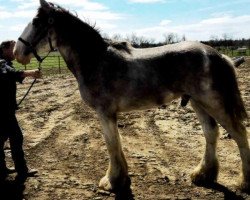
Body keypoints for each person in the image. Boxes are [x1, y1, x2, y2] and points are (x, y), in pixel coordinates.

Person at [0, 40, 42, 182]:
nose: (15, 52)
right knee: (17, 137)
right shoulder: (1, 63)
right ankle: (22, 170)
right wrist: (30, 73)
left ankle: (2, 169)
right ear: (4, 49)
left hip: (5, 110)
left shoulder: (4, 62)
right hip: (4, 112)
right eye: (13, 49)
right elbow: (8, 73)